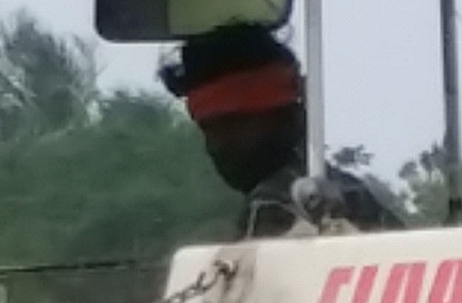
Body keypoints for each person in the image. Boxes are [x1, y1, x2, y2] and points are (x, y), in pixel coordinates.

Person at [158, 23, 402, 238]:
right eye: (209, 129)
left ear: (291, 115)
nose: (217, 145)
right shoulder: (355, 194)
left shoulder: (271, 204)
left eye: (236, 126)